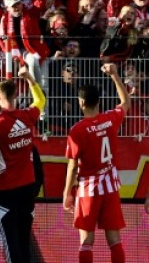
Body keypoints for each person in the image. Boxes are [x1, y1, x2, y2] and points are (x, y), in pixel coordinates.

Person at [0, 66, 46, 263]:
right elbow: (41, 101)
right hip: (27, 187)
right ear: (16, 94)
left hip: (6, 190)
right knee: (24, 239)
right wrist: (30, 79)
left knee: (11, 242)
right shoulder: (27, 116)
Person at [63, 63, 130, 263]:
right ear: (99, 102)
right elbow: (126, 102)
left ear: (81, 103)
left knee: (86, 242)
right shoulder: (110, 119)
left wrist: (67, 192)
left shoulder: (77, 130)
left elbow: (73, 166)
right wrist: (115, 75)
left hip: (89, 189)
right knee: (114, 240)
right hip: (110, 186)